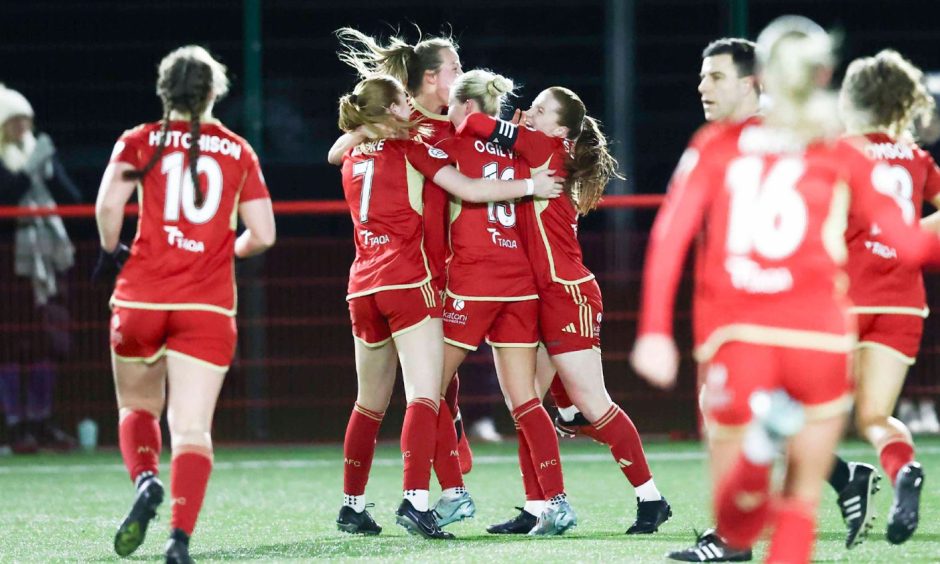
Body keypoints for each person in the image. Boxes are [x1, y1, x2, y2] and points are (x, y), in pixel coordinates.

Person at [631, 16, 940, 563]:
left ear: (763, 76)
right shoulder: (843, 153)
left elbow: (670, 233)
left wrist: (654, 330)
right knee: (798, 509)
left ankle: (756, 452)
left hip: (743, 331)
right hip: (820, 339)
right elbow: (911, 246)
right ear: (825, 74)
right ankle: (773, 448)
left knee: (735, 520)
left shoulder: (717, 145)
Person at [332, 74, 562, 538]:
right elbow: (472, 189)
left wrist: (365, 129)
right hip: (407, 281)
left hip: (361, 287)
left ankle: (351, 506)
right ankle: (416, 500)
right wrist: (530, 185)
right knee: (424, 393)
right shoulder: (413, 149)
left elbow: (336, 150)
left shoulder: (352, 155)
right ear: (396, 110)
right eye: (404, 105)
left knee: (368, 404)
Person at [457, 85, 670, 535]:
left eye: (538, 110)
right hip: (541, 293)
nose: (528, 114)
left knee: (594, 402)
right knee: (527, 405)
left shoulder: (544, 145)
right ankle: (537, 506)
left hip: (567, 293)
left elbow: (475, 122)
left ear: (561, 129)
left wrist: (500, 122)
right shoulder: (540, 149)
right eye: (529, 109)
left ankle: (651, 498)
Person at [94, 45, 276, 563]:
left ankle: (146, 479)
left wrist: (112, 251)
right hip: (207, 305)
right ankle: (179, 539)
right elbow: (262, 233)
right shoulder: (238, 151)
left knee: (136, 407)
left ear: (163, 90)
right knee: (192, 429)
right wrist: (227, 250)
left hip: (141, 297)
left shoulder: (138, 141)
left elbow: (109, 206)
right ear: (216, 92)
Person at [328, 26, 475, 475]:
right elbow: (339, 150)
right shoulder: (405, 126)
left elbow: (338, 153)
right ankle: (436, 488)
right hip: (413, 273)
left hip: (437, 267)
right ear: (430, 78)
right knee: (424, 385)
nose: (462, 75)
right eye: (455, 68)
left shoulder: (452, 124)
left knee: (430, 380)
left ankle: (376, 496)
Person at [832, 48, 939, 546]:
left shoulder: (839, 151)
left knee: (793, 407)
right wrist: (910, 235)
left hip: (845, 298)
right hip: (902, 300)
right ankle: (903, 473)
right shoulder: (915, 157)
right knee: (876, 416)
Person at [0, 84, 81, 454]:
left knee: (48, 342)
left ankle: (42, 419)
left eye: (25, 120)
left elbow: (73, 199)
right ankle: (17, 425)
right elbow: (8, 196)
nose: (22, 127)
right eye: (13, 121)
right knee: (13, 345)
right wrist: (26, 172)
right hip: (12, 263)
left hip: (46, 261)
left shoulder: (39, 153)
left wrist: (47, 168)